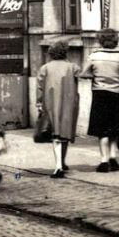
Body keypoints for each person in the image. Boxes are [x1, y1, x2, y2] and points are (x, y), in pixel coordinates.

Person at [80, 28, 119, 173]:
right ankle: (113, 158)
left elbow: (83, 74)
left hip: (100, 93)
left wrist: (96, 76)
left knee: (101, 129)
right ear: (115, 40)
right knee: (113, 126)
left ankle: (104, 160)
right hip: (117, 94)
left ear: (100, 40)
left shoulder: (94, 56)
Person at [36, 39, 79, 179]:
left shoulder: (45, 68)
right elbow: (83, 76)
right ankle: (63, 162)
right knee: (65, 133)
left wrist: (39, 103)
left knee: (56, 135)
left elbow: (40, 88)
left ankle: (58, 166)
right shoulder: (73, 67)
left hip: (51, 104)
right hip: (69, 103)